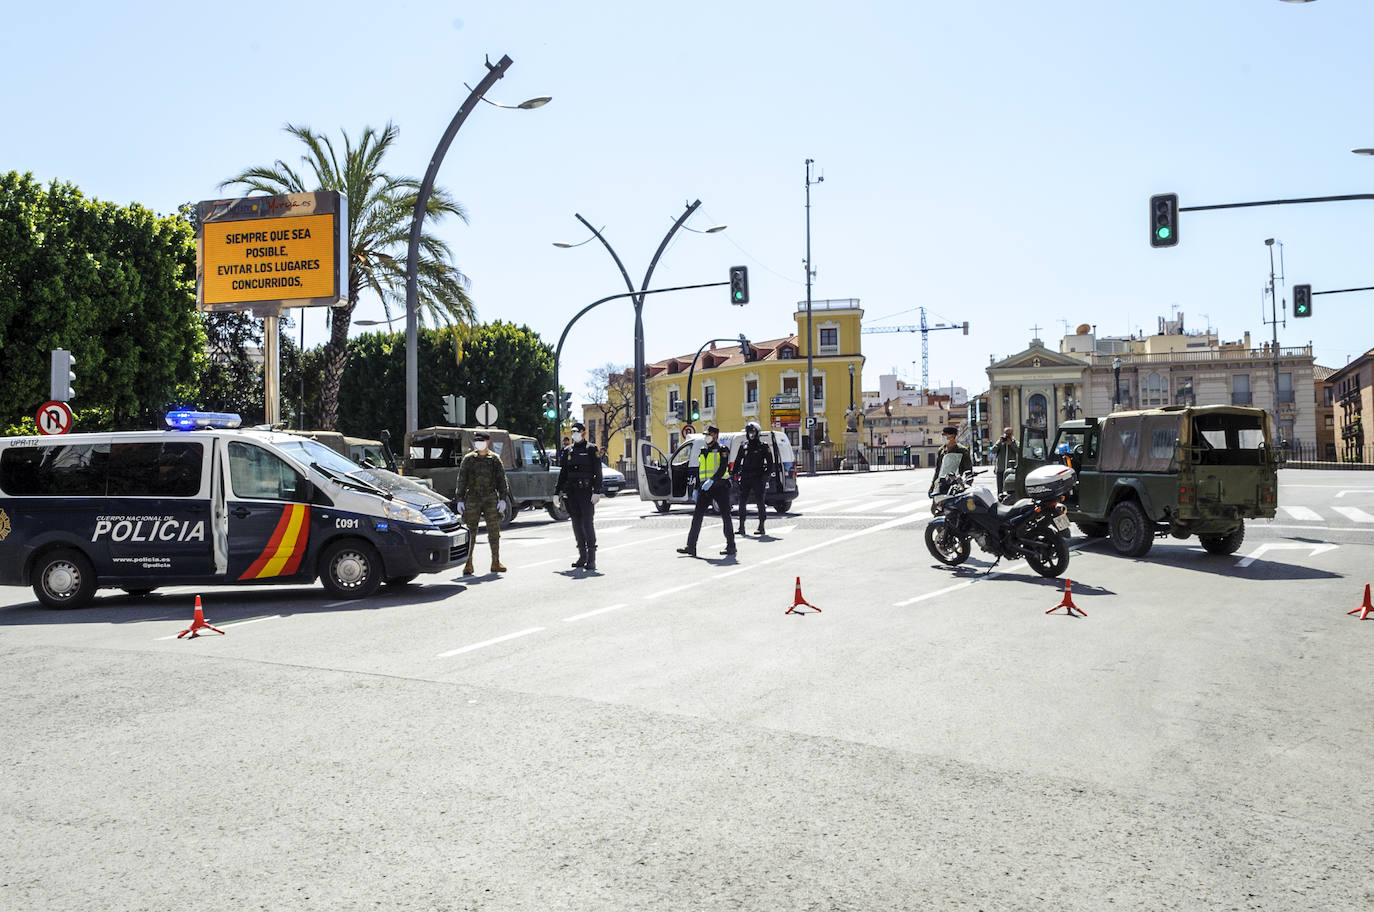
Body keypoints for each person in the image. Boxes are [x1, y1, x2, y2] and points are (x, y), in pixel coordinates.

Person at [454, 430, 510, 575]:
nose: (478, 443)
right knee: (471, 531)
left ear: (487, 442)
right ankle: (468, 563)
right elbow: (461, 480)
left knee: (494, 531)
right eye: (476, 441)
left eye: (481, 441)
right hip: (472, 497)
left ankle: (495, 561)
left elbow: (502, 481)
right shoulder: (468, 459)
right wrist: (459, 499)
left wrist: (503, 499)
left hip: (490, 498)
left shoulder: (495, 459)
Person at [677, 426, 736, 557]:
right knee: (697, 517)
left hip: (720, 487)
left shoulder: (722, 450)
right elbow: (701, 471)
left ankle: (731, 546)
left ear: (715, 435)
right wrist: (697, 488)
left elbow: (722, 468)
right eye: (705, 435)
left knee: (726, 516)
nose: (706, 437)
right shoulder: (703, 450)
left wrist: (712, 480)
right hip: (705, 488)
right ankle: (691, 546)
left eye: (708, 434)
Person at [555, 421, 604, 571]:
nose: (574, 434)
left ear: (583, 432)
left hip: (586, 492)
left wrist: (597, 491)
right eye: (572, 432)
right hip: (572, 492)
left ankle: (591, 558)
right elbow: (563, 473)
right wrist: (556, 493)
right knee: (576, 524)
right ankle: (582, 556)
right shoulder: (568, 450)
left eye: (576, 432)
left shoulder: (591, 449)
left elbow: (598, 471)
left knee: (587, 523)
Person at [732, 420, 774, 536]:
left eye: (753, 432)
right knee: (742, 502)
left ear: (757, 433)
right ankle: (741, 526)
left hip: (758, 477)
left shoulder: (763, 447)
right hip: (745, 477)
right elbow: (737, 461)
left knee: (760, 502)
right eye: (749, 432)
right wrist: (734, 474)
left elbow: (770, 464)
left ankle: (761, 526)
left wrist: (765, 476)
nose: (751, 434)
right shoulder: (744, 446)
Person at [928, 425, 973, 496]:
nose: (942, 437)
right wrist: (932, 486)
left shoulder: (962, 450)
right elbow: (938, 470)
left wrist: (966, 485)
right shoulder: (941, 450)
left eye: (944, 435)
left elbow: (968, 469)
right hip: (941, 483)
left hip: (956, 484)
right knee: (937, 505)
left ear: (952, 436)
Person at [993, 426, 1018, 496]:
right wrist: (999, 443)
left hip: (1010, 469)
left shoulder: (1015, 442)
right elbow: (993, 451)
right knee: (1000, 489)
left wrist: (1011, 444)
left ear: (1012, 434)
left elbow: (1019, 450)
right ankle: (1000, 498)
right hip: (1000, 468)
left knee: (1010, 488)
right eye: (1006, 434)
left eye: (1009, 434)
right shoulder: (1000, 442)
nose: (1007, 436)